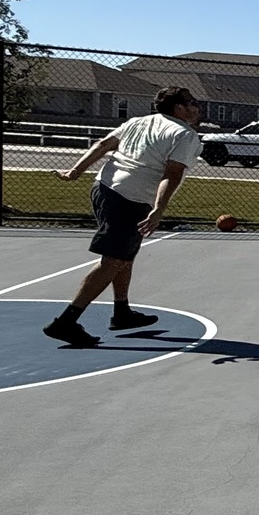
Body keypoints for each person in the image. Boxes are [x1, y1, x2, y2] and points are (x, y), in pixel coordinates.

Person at [43, 87, 203, 347]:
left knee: (124, 256)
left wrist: (75, 171)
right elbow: (172, 174)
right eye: (192, 102)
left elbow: (103, 145)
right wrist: (159, 208)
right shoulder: (184, 134)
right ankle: (66, 322)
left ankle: (122, 312)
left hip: (104, 188)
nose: (197, 107)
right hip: (130, 199)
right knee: (114, 260)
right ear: (179, 108)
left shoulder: (136, 122)